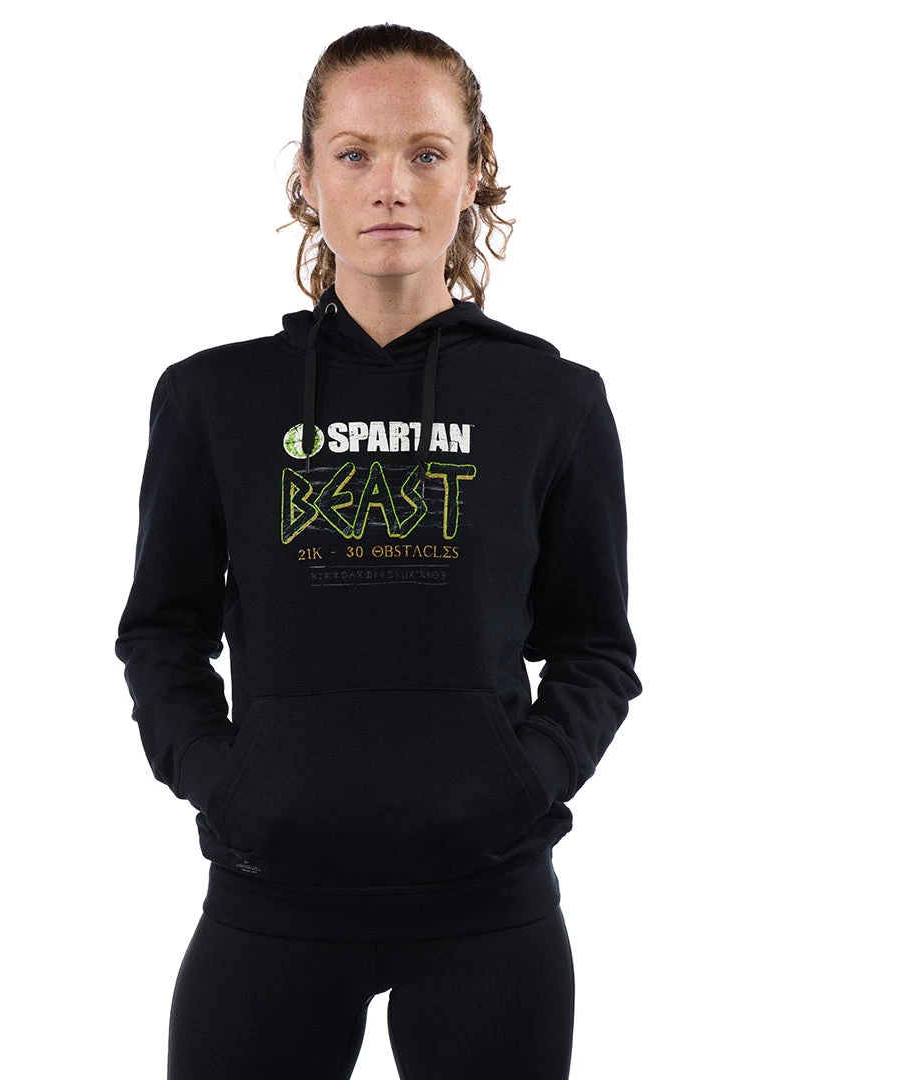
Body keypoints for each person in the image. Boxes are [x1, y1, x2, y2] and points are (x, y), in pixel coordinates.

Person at [115, 22, 642, 1080]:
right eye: (354, 153)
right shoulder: (214, 397)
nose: (390, 186)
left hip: (489, 909)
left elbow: (594, 647)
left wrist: (522, 780)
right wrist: (225, 780)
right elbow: (162, 631)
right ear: (308, 178)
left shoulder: (553, 400)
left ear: (473, 172)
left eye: (426, 152)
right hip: (270, 900)